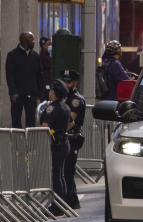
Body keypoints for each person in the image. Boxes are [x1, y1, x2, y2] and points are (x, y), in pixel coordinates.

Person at [40, 79, 73, 210]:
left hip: (56, 144)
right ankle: (62, 203)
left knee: (56, 175)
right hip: (64, 142)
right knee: (60, 174)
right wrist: (62, 130)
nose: (50, 92)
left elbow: (44, 125)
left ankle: (57, 206)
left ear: (54, 92)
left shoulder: (52, 107)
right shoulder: (65, 106)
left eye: (51, 90)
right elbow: (71, 123)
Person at [5, 32, 44, 128]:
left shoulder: (35, 56)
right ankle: (17, 142)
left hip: (32, 95)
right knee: (16, 121)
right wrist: (13, 92)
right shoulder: (12, 55)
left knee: (31, 122)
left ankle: (29, 143)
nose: (34, 42)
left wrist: (40, 93)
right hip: (17, 95)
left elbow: (39, 75)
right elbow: (9, 76)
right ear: (25, 41)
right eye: (32, 39)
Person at [60, 69, 85, 209]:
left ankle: (71, 200)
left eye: (68, 81)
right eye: (64, 80)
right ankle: (70, 200)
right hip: (64, 137)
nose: (65, 83)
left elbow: (70, 120)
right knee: (63, 170)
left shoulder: (76, 100)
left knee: (68, 171)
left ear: (75, 82)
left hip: (72, 137)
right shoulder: (64, 97)